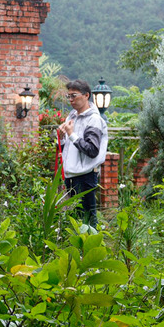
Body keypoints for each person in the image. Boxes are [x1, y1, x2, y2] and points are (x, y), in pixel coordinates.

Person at [57, 79, 108, 228]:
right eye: (69, 97)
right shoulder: (71, 117)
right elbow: (67, 147)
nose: (71, 100)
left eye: (74, 95)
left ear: (86, 95)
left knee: (88, 219)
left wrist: (71, 134)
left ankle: (94, 249)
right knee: (73, 219)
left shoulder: (94, 120)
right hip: (70, 176)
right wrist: (61, 137)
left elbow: (92, 150)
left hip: (85, 176)